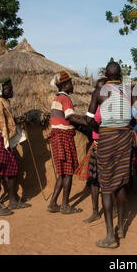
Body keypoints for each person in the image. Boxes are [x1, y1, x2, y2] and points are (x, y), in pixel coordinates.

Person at [86, 61, 137, 249]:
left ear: (106, 75)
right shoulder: (129, 90)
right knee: (122, 183)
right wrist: (129, 125)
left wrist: (101, 130)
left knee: (107, 186)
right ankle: (121, 228)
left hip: (107, 139)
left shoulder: (100, 92)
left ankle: (110, 235)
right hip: (125, 138)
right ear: (120, 74)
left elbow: (88, 119)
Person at [0, 78, 31, 216]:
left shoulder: (6, 103)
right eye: (8, 89)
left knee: (12, 170)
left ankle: (12, 201)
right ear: (0, 89)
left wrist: (17, 122)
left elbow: (5, 122)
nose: (11, 91)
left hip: (5, 141)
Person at [47, 71, 88, 215]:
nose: (73, 85)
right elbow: (70, 116)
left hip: (57, 138)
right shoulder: (65, 99)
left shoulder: (56, 98)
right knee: (69, 172)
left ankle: (53, 203)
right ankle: (65, 205)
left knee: (62, 173)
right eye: (71, 83)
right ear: (64, 85)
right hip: (64, 137)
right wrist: (87, 122)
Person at [83, 77, 107, 223]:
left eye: (100, 88)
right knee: (94, 181)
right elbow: (88, 119)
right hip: (96, 144)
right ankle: (95, 211)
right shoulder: (94, 105)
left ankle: (113, 208)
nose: (97, 91)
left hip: (108, 145)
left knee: (108, 181)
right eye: (96, 88)